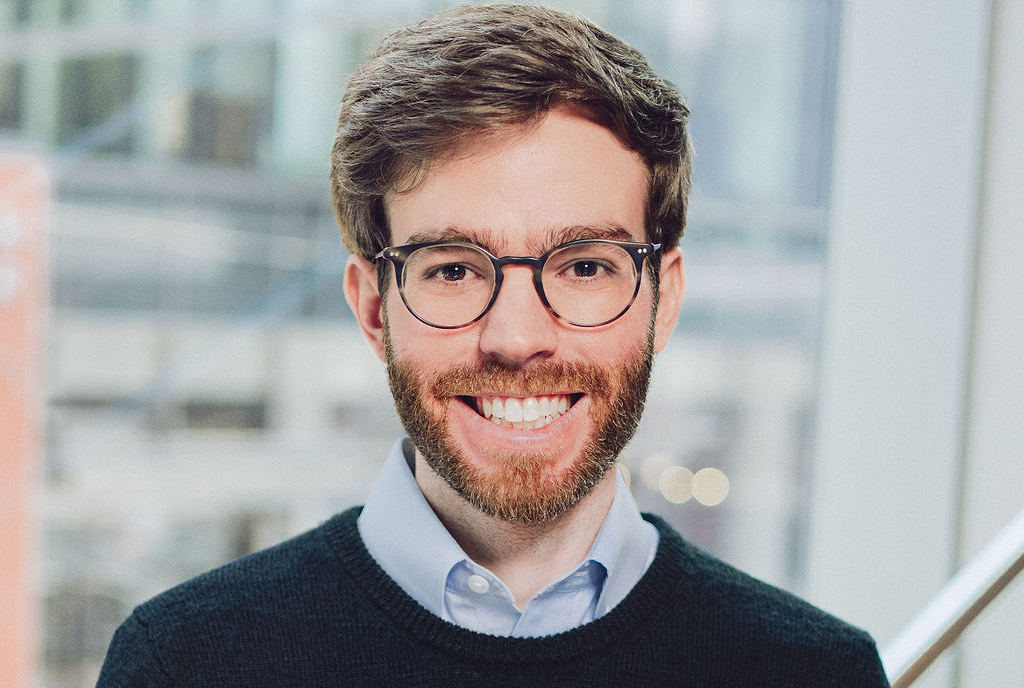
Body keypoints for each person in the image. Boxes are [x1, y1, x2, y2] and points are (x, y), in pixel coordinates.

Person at [97, 4, 890, 686]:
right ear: (375, 307)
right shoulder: (185, 665)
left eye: (583, 265)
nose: (517, 337)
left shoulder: (816, 673)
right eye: (453, 270)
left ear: (663, 296)